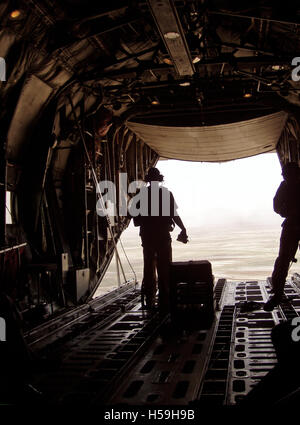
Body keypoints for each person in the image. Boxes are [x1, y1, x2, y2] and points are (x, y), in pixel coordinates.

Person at [132, 167, 188, 314]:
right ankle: (165, 301)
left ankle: (150, 301)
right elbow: (174, 215)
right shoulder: (166, 194)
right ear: (159, 180)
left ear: (148, 180)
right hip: (163, 236)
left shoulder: (141, 194)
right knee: (165, 268)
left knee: (149, 267)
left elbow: (135, 218)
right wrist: (183, 229)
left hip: (148, 236)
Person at [264, 162, 300, 311]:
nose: (283, 176)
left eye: (285, 174)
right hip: (291, 224)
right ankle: (278, 293)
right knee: (283, 260)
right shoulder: (285, 185)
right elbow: (276, 205)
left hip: (291, 224)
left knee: (283, 260)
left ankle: (277, 294)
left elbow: (277, 206)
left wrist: (288, 212)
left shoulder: (285, 185)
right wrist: (288, 212)